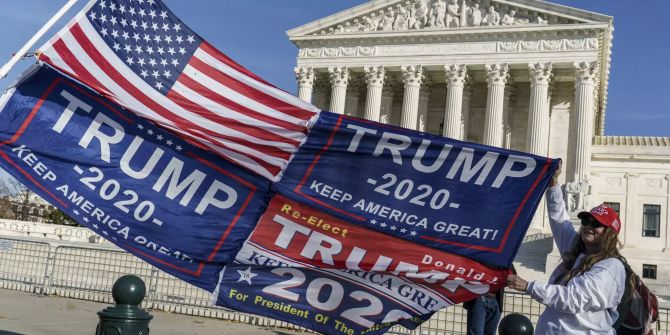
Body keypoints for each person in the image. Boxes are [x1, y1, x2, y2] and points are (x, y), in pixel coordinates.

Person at [506, 163, 635, 334]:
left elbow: (574, 298)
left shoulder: (611, 267)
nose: (589, 226)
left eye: (596, 224)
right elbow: (559, 219)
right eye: (586, 221)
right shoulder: (578, 251)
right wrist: (553, 184)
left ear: (609, 233)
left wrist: (528, 286)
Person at [464, 265, 515, 335]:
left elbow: (513, 276)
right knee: (476, 332)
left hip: (495, 300)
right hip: (478, 298)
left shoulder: (503, 258)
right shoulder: (477, 255)